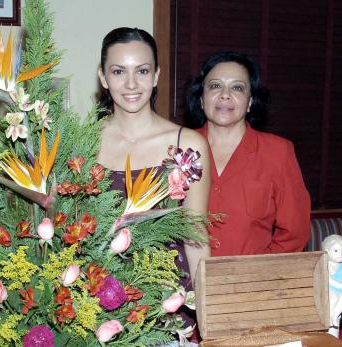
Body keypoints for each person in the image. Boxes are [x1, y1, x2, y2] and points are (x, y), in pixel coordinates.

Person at [96, 27, 211, 344]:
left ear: (157, 75)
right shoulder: (84, 144)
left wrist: (210, 320)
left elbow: (196, 239)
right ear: (103, 77)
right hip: (96, 309)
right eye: (119, 71)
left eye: (142, 71)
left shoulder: (186, 145)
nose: (131, 84)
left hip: (168, 310)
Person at [186, 51, 310, 256]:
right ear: (201, 98)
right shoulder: (180, 148)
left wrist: (258, 276)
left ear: (250, 101)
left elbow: (294, 234)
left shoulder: (278, 153)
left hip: (251, 283)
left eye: (237, 87)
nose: (225, 94)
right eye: (215, 86)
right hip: (185, 283)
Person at [322, 235, 342, 337]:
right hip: (329, 290)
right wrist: (341, 285)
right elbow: (328, 280)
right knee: (337, 299)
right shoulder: (325, 264)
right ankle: (334, 316)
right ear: (327, 251)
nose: (341, 254)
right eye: (336, 251)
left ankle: (335, 316)